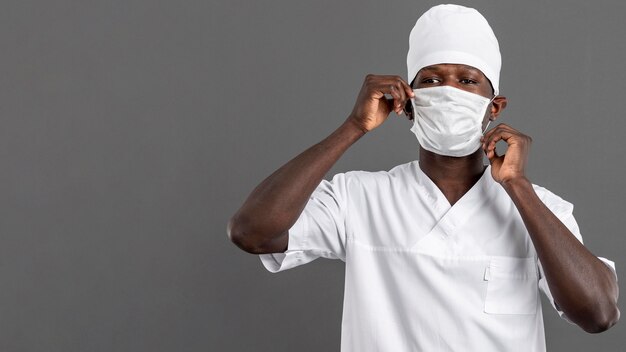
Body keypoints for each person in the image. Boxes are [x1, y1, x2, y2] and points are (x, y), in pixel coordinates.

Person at [227, 4, 619, 351]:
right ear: (406, 103)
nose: (449, 92)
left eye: (467, 81)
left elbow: (598, 313)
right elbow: (252, 232)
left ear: (493, 106)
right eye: (431, 81)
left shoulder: (540, 209)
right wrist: (353, 127)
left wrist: (518, 186)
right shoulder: (360, 198)